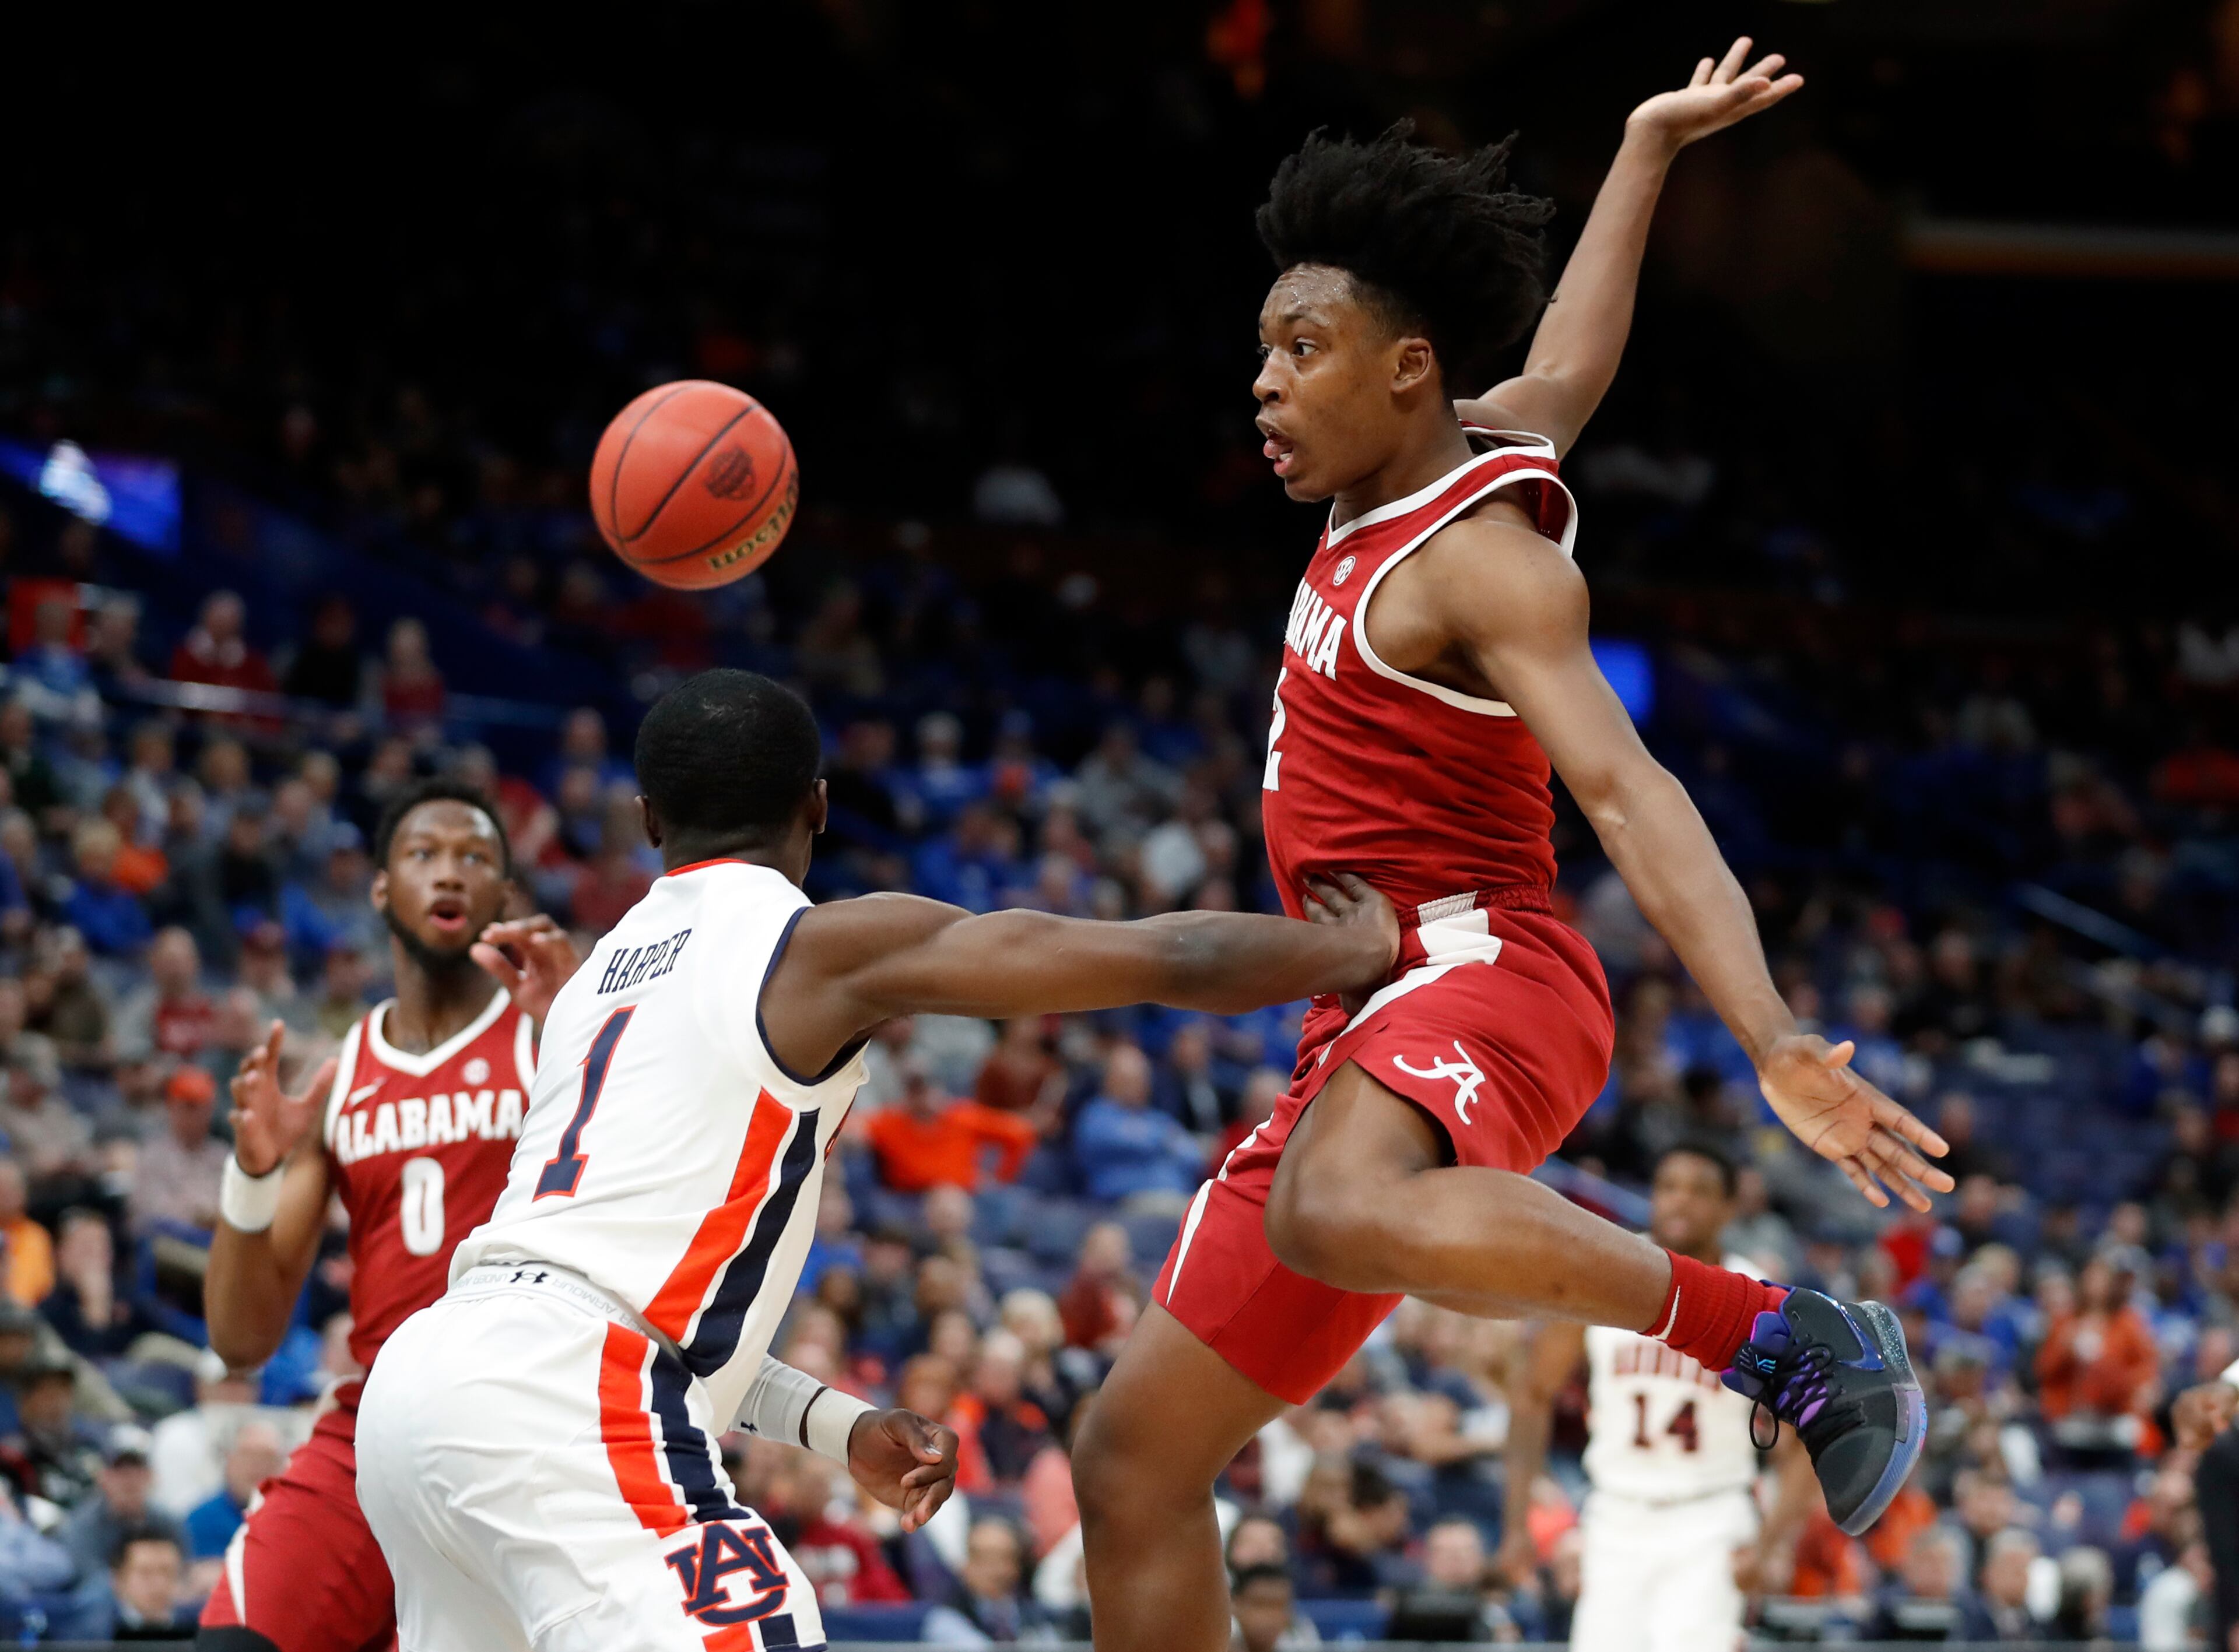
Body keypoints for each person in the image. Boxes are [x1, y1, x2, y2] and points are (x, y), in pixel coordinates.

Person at [1071, 45, 1952, 1652]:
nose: (1263, 381)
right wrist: (1642, 149)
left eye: (1302, 347)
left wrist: (1768, 1034)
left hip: (1489, 969)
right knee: (1131, 1458)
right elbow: (1573, 365)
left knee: (1331, 1207)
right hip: (1369, 1017)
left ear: (1405, 368)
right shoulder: (1452, 445)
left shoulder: (1481, 564)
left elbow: (1628, 792)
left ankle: (1784, 1333)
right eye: (1260, 347)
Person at [354, 668, 1398, 1651]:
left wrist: (837, 1422)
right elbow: (1157, 956)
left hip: (425, 1385)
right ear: (817, 805)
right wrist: (1346, 952)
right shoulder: (815, 945)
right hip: (564, 1393)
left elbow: (614, 1293)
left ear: (650, 821)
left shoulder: (593, 990)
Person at [194, 778, 581, 1652]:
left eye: (475, 857)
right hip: (376, 1424)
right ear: (380, 887)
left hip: (522, 1430)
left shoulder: (552, 1034)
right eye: (424, 854)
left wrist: (589, 1056)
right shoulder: (342, 1073)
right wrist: (253, 1176)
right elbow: (240, 1339)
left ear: (505, 894)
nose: (450, 873)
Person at [1503, 1143, 1816, 1652]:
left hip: (1710, 1518)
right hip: (1614, 1513)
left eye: (1699, 1191)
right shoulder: (1607, 1277)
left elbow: (1801, 1437)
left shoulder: (1757, 1306)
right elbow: (1533, 1394)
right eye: (1668, 1187)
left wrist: (1772, 1543)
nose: (1679, 1202)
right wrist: (1518, 1523)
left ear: (1729, 1208)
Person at [103, 1525, 193, 1641]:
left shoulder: (198, 1629)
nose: (159, 1584)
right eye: (146, 1573)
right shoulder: (92, 1635)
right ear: (118, 1579)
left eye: (167, 1572)